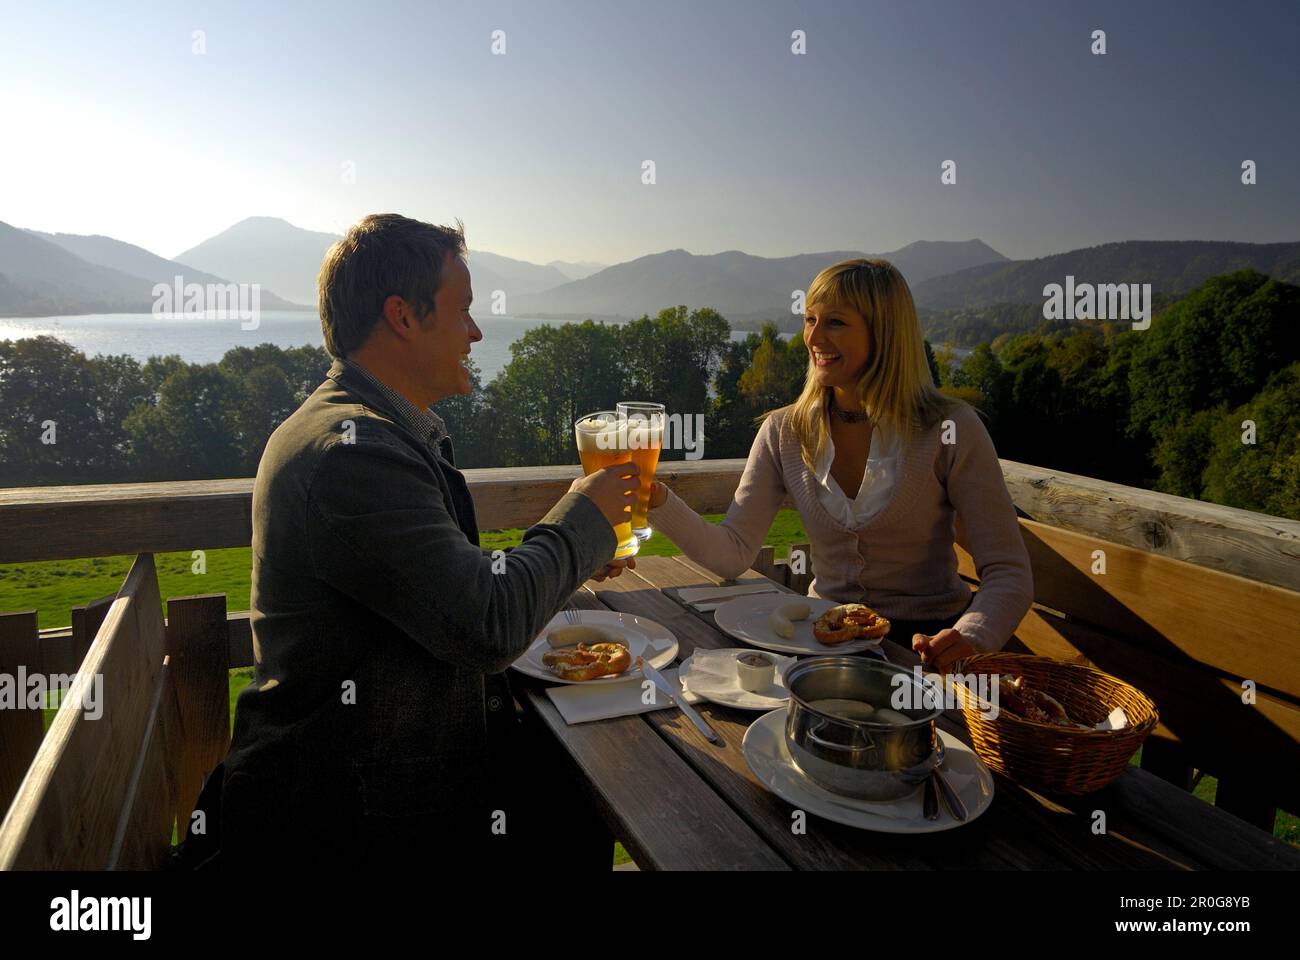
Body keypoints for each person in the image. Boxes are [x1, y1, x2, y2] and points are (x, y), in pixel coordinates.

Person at [219, 213, 636, 870]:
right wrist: (584, 517)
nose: (474, 332)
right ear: (403, 317)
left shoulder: (368, 429)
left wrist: (568, 563)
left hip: (378, 780)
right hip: (348, 821)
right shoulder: (354, 455)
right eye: (463, 310)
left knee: (582, 783)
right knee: (600, 787)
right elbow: (488, 623)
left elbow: (448, 589)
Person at [645, 258, 1033, 666]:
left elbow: (1009, 571)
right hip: (821, 644)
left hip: (926, 653)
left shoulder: (950, 429)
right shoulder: (784, 432)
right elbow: (734, 553)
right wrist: (657, 500)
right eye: (810, 319)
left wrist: (971, 636)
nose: (814, 337)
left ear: (884, 334)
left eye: (835, 322)